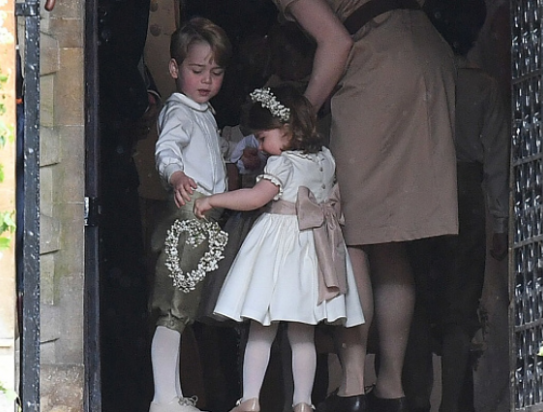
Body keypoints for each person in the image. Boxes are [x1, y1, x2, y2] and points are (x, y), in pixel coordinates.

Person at [268, 1, 459, 412]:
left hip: (377, 61)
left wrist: (296, 121)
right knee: (389, 237)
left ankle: (352, 387)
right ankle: (391, 388)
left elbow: (336, 42)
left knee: (349, 231)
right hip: (425, 54)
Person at [194, 84, 365, 412]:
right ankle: (303, 403)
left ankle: (250, 399)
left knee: (261, 327)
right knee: (303, 334)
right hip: (313, 250)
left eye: (262, 137)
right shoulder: (324, 158)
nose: (261, 146)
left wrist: (213, 199)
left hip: (279, 248)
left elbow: (255, 198)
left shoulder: (282, 164)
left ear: (286, 129)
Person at [402, 1, 510, 412]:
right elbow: (496, 160)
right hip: (467, 193)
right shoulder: (483, 87)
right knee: (460, 311)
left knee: (416, 302)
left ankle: (415, 399)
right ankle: (453, 404)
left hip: (420, 188)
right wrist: (500, 223)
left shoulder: (421, 82)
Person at [148, 17, 232, 412]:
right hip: (190, 216)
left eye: (216, 72)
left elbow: (214, 153)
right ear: (174, 68)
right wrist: (176, 173)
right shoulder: (179, 111)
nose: (207, 80)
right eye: (197, 70)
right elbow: (167, 148)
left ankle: (173, 395)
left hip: (205, 220)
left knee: (185, 309)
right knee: (174, 308)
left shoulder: (203, 112)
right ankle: (164, 396)